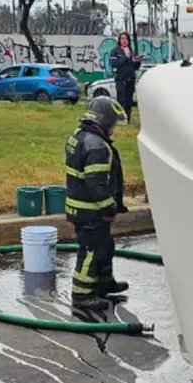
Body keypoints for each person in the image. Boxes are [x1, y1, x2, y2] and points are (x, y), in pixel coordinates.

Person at [65, 97, 131, 310]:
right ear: (103, 121)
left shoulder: (80, 136)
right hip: (90, 211)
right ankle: (82, 295)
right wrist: (108, 207)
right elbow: (97, 183)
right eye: (113, 124)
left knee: (105, 246)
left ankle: (103, 283)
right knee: (91, 251)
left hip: (80, 206)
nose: (114, 129)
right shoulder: (97, 147)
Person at [108, 32, 143, 118]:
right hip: (120, 78)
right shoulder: (115, 51)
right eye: (122, 38)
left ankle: (128, 116)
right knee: (121, 97)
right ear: (119, 40)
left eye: (126, 39)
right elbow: (114, 63)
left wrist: (137, 61)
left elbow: (135, 67)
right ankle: (119, 117)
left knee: (129, 99)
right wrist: (125, 57)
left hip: (130, 77)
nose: (124, 40)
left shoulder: (131, 50)